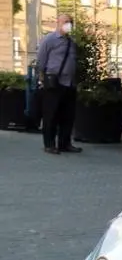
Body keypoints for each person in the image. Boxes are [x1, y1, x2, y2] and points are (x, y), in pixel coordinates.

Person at [36, 13, 80, 155]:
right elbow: (41, 60)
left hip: (70, 84)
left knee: (68, 116)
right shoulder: (50, 39)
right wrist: (42, 78)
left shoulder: (71, 42)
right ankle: (49, 145)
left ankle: (64, 144)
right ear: (58, 23)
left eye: (71, 22)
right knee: (51, 115)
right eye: (66, 21)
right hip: (54, 83)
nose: (69, 24)